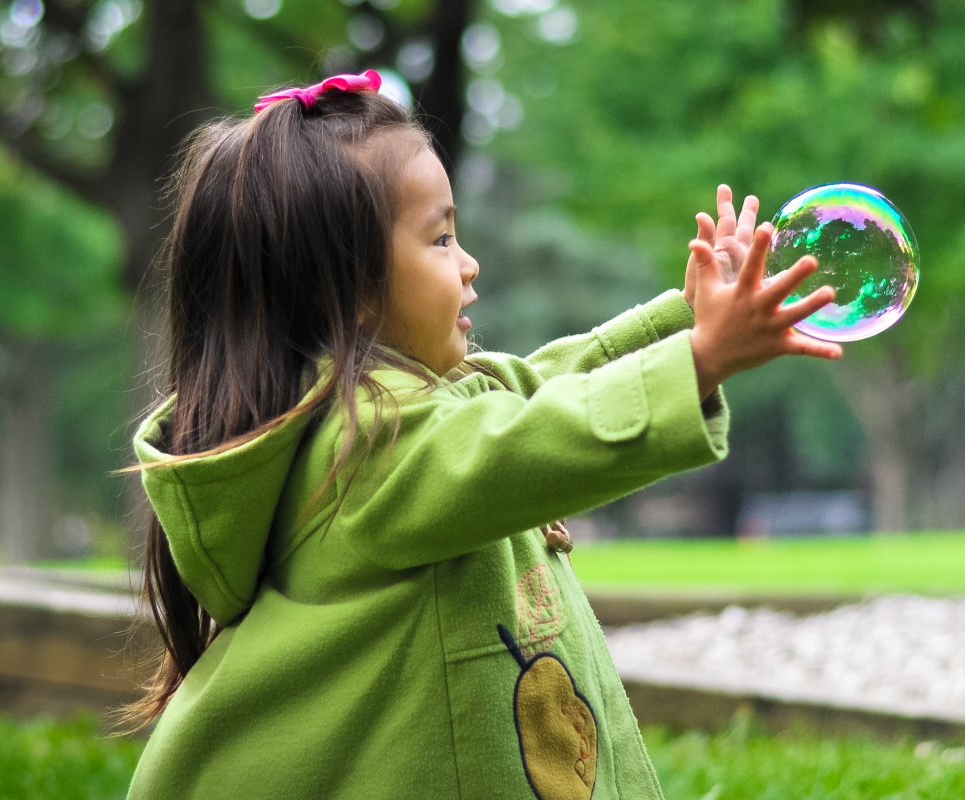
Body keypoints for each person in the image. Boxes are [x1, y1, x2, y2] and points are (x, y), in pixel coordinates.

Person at [122, 70, 841, 800]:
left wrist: (689, 318)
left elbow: (545, 382)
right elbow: (527, 439)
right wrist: (701, 360)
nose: (469, 264)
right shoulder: (367, 448)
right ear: (352, 290)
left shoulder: (409, 411)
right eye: (439, 239)